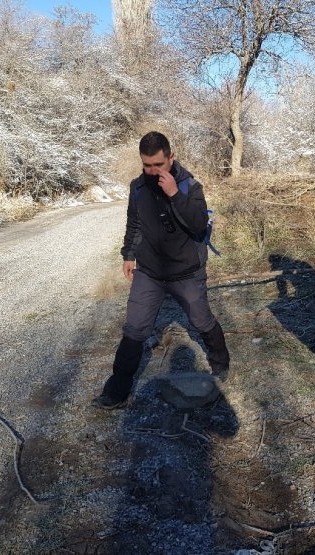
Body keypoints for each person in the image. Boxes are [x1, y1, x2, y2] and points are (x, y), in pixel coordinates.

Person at [92, 131, 229, 409]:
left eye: (158, 164)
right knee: (134, 328)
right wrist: (129, 255)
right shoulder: (138, 187)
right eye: (147, 165)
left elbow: (199, 225)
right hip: (150, 272)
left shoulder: (190, 186)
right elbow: (134, 224)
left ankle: (221, 363)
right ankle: (116, 391)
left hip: (187, 271)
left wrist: (175, 194)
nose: (153, 171)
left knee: (202, 322)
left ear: (171, 158)